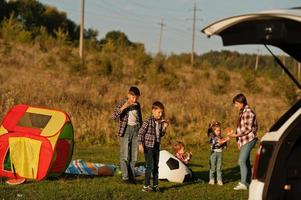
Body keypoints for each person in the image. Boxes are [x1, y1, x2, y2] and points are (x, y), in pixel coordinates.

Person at [226, 93, 258, 190]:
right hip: (243, 140)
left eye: (236, 103)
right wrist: (238, 141)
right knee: (246, 162)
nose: (235, 105)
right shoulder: (242, 111)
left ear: (241, 102)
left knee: (241, 161)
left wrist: (234, 135)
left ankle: (244, 183)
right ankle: (248, 182)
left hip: (249, 139)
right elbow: (240, 127)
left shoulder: (248, 112)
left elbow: (247, 129)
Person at [112, 86, 143, 184]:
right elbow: (114, 116)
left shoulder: (137, 105)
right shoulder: (121, 103)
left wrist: (141, 136)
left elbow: (140, 121)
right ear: (128, 95)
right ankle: (125, 178)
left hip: (136, 131)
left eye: (136, 98)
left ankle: (132, 177)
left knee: (134, 156)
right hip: (125, 130)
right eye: (133, 97)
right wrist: (124, 107)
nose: (134, 100)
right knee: (124, 155)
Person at [138, 101, 169, 192]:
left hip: (156, 146)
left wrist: (164, 127)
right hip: (148, 147)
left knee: (156, 166)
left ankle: (155, 185)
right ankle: (146, 186)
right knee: (149, 166)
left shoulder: (159, 122)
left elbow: (160, 135)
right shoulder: (148, 121)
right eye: (159, 112)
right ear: (153, 111)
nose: (160, 114)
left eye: (161, 112)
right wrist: (140, 145)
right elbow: (140, 133)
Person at [207, 121, 230, 186]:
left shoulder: (221, 137)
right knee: (213, 167)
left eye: (219, 130)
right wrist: (226, 139)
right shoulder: (213, 138)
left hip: (220, 153)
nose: (219, 132)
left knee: (219, 168)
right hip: (213, 153)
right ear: (213, 132)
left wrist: (225, 143)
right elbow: (219, 142)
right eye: (217, 131)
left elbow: (224, 145)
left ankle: (219, 180)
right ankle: (211, 179)